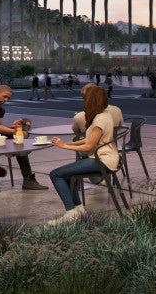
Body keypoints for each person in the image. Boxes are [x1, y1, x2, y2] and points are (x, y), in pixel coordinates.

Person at [47, 85, 121, 224]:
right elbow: (88, 140)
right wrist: (66, 143)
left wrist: (64, 146)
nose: (84, 101)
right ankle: (78, 209)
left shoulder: (100, 119)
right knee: (67, 174)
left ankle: (71, 212)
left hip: (103, 160)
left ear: (91, 100)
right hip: (105, 158)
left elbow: (89, 146)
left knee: (55, 174)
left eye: (85, 98)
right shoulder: (104, 115)